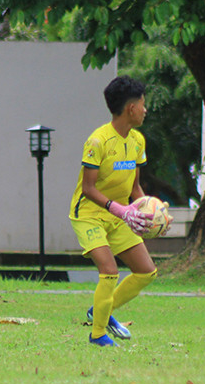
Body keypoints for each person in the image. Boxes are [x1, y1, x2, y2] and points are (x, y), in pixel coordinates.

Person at [69, 76, 171, 347]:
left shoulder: (137, 140)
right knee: (109, 270)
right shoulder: (97, 141)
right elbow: (89, 188)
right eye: (143, 104)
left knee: (147, 271)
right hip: (89, 215)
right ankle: (98, 335)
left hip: (119, 215)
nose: (145, 109)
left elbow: (135, 188)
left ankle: (100, 310)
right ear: (131, 109)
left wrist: (153, 213)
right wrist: (120, 210)